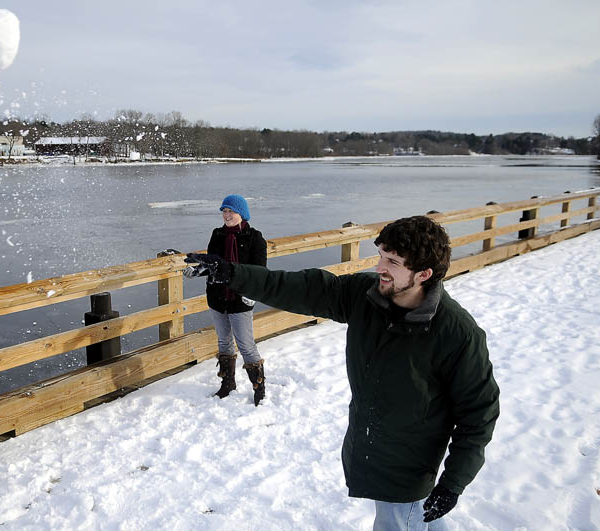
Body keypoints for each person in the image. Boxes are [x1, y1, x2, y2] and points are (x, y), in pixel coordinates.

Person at [186, 215, 500, 529]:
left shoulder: (457, 334)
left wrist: (453, 483)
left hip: (409, 467)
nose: (379, 268)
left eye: (392, 261)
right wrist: (232, 273)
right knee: (420, 518)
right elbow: (300, 288)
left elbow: (479, 413)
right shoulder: (366, 297)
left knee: (400, 520)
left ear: (423, 274)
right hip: (372, 446)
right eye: (380, 256)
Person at [183, 194, 268, 406]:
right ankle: (227, 384)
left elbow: (259, 272)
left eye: (230, 211)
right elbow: (213, 265)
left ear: (241, 213)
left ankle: (259, 389)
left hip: (240, 299)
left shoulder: (255, 238)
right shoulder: (217, 234)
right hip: (217, 297)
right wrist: (198, 270)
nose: (226, 215)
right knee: (223, 341)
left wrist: (250, 295)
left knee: (246, 345)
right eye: (224, 211)